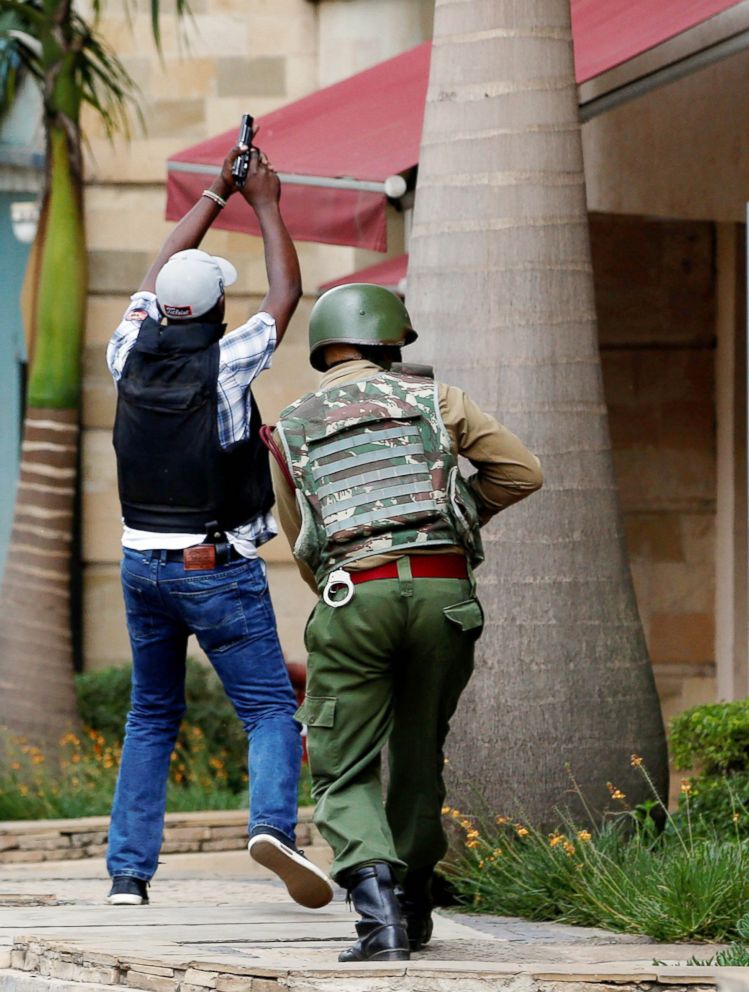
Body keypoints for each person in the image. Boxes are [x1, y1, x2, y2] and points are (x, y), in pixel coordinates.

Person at [268, 283, 543, 961]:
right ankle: (414, 907)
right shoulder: (436, 400)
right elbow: (521, 472)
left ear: (323, 345)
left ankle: (379, 920)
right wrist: (451, 523)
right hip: (444, 595)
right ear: (391, 340)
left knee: (342, 764)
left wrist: (347, 592)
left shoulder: (291, 425)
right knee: (419, 752)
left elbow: (302, 537)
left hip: (351, 596)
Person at [104, 142, 333, 911]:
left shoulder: (125, 349)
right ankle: (273, 827)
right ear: (211, 312)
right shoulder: (229, 361)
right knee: (269, 709)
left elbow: (154, 275)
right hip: (215, 567)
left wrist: (212, 194)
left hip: (140, 564)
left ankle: (127, 876)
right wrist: (264, 200)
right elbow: (287, 292)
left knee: (151, 715)